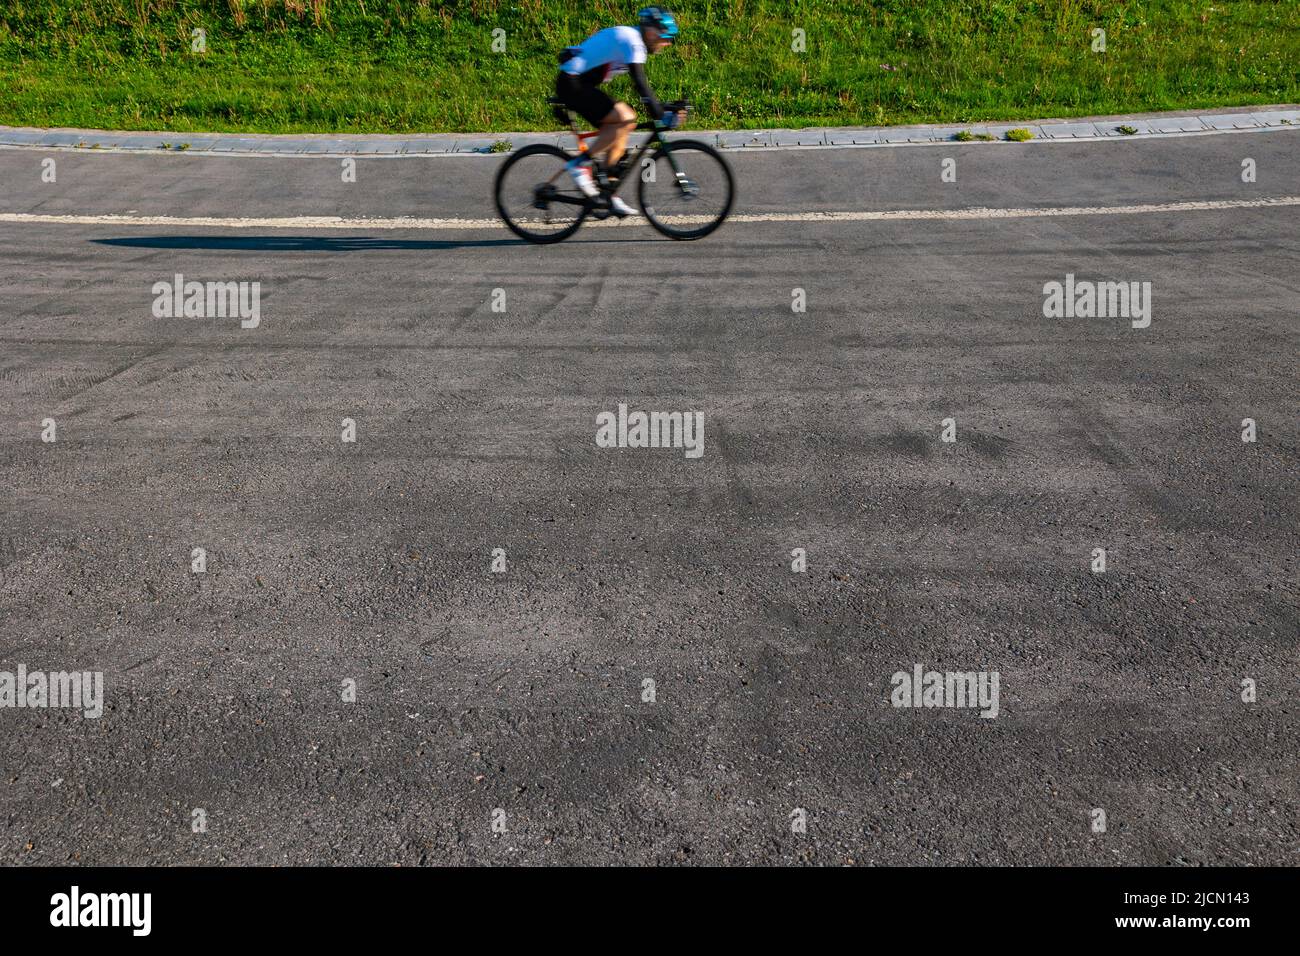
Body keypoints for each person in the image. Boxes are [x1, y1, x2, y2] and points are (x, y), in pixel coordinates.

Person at [555, 6, 681, 216]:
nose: (667, 43)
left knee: (627, 123)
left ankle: (607, 195)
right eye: (666, 37)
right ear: (651, 32)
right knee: (625, 117)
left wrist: (663, 107)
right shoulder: (633, 41)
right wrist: (660, 113)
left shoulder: (633, 40)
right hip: (572, 84)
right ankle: (579, 165)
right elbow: (640, 84)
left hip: (579, 83)